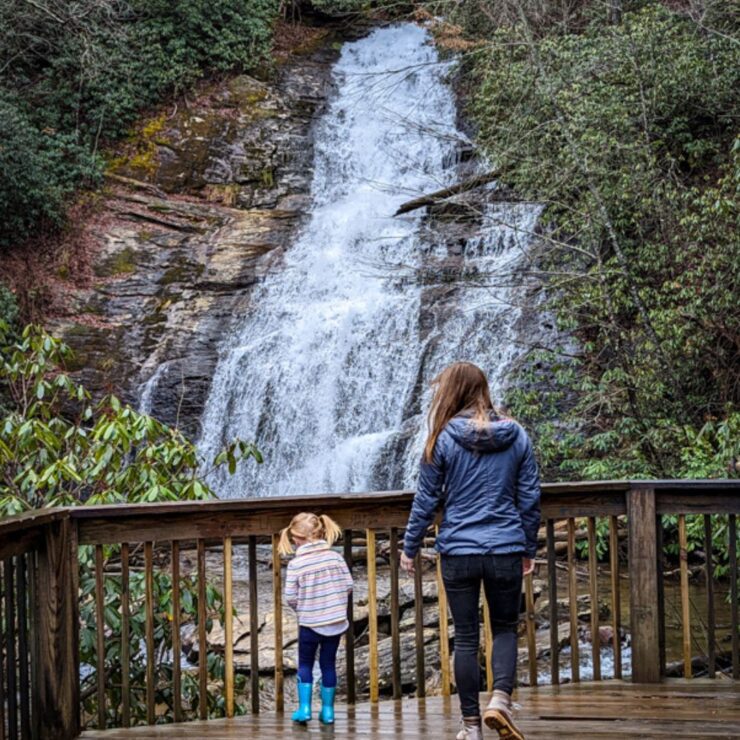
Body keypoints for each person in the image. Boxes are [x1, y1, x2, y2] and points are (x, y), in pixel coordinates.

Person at [400, 362, 541, 740]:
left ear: (451, 392)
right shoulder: (517, 434)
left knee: (465, 636)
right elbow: (529, 498)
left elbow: (426, 500)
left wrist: (409, 546)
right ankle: (499, 701)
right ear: (483, 389)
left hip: (459, 550)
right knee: (506, 628)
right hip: (506, 546)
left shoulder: (441, 439)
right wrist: (528, 546)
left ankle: (471, 726)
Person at [278, 512, 353, 725]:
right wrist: (334, 603)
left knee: (305, 664)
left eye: (293, 537)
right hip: (336, 622)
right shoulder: (335, 557)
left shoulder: (297, 564)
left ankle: (304, 709)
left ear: (299, 539)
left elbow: (290, 597)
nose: (292, 541)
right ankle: (328, 711)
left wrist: (304, 608)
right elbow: (348, 585)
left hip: (310, 623)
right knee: (328, 664)